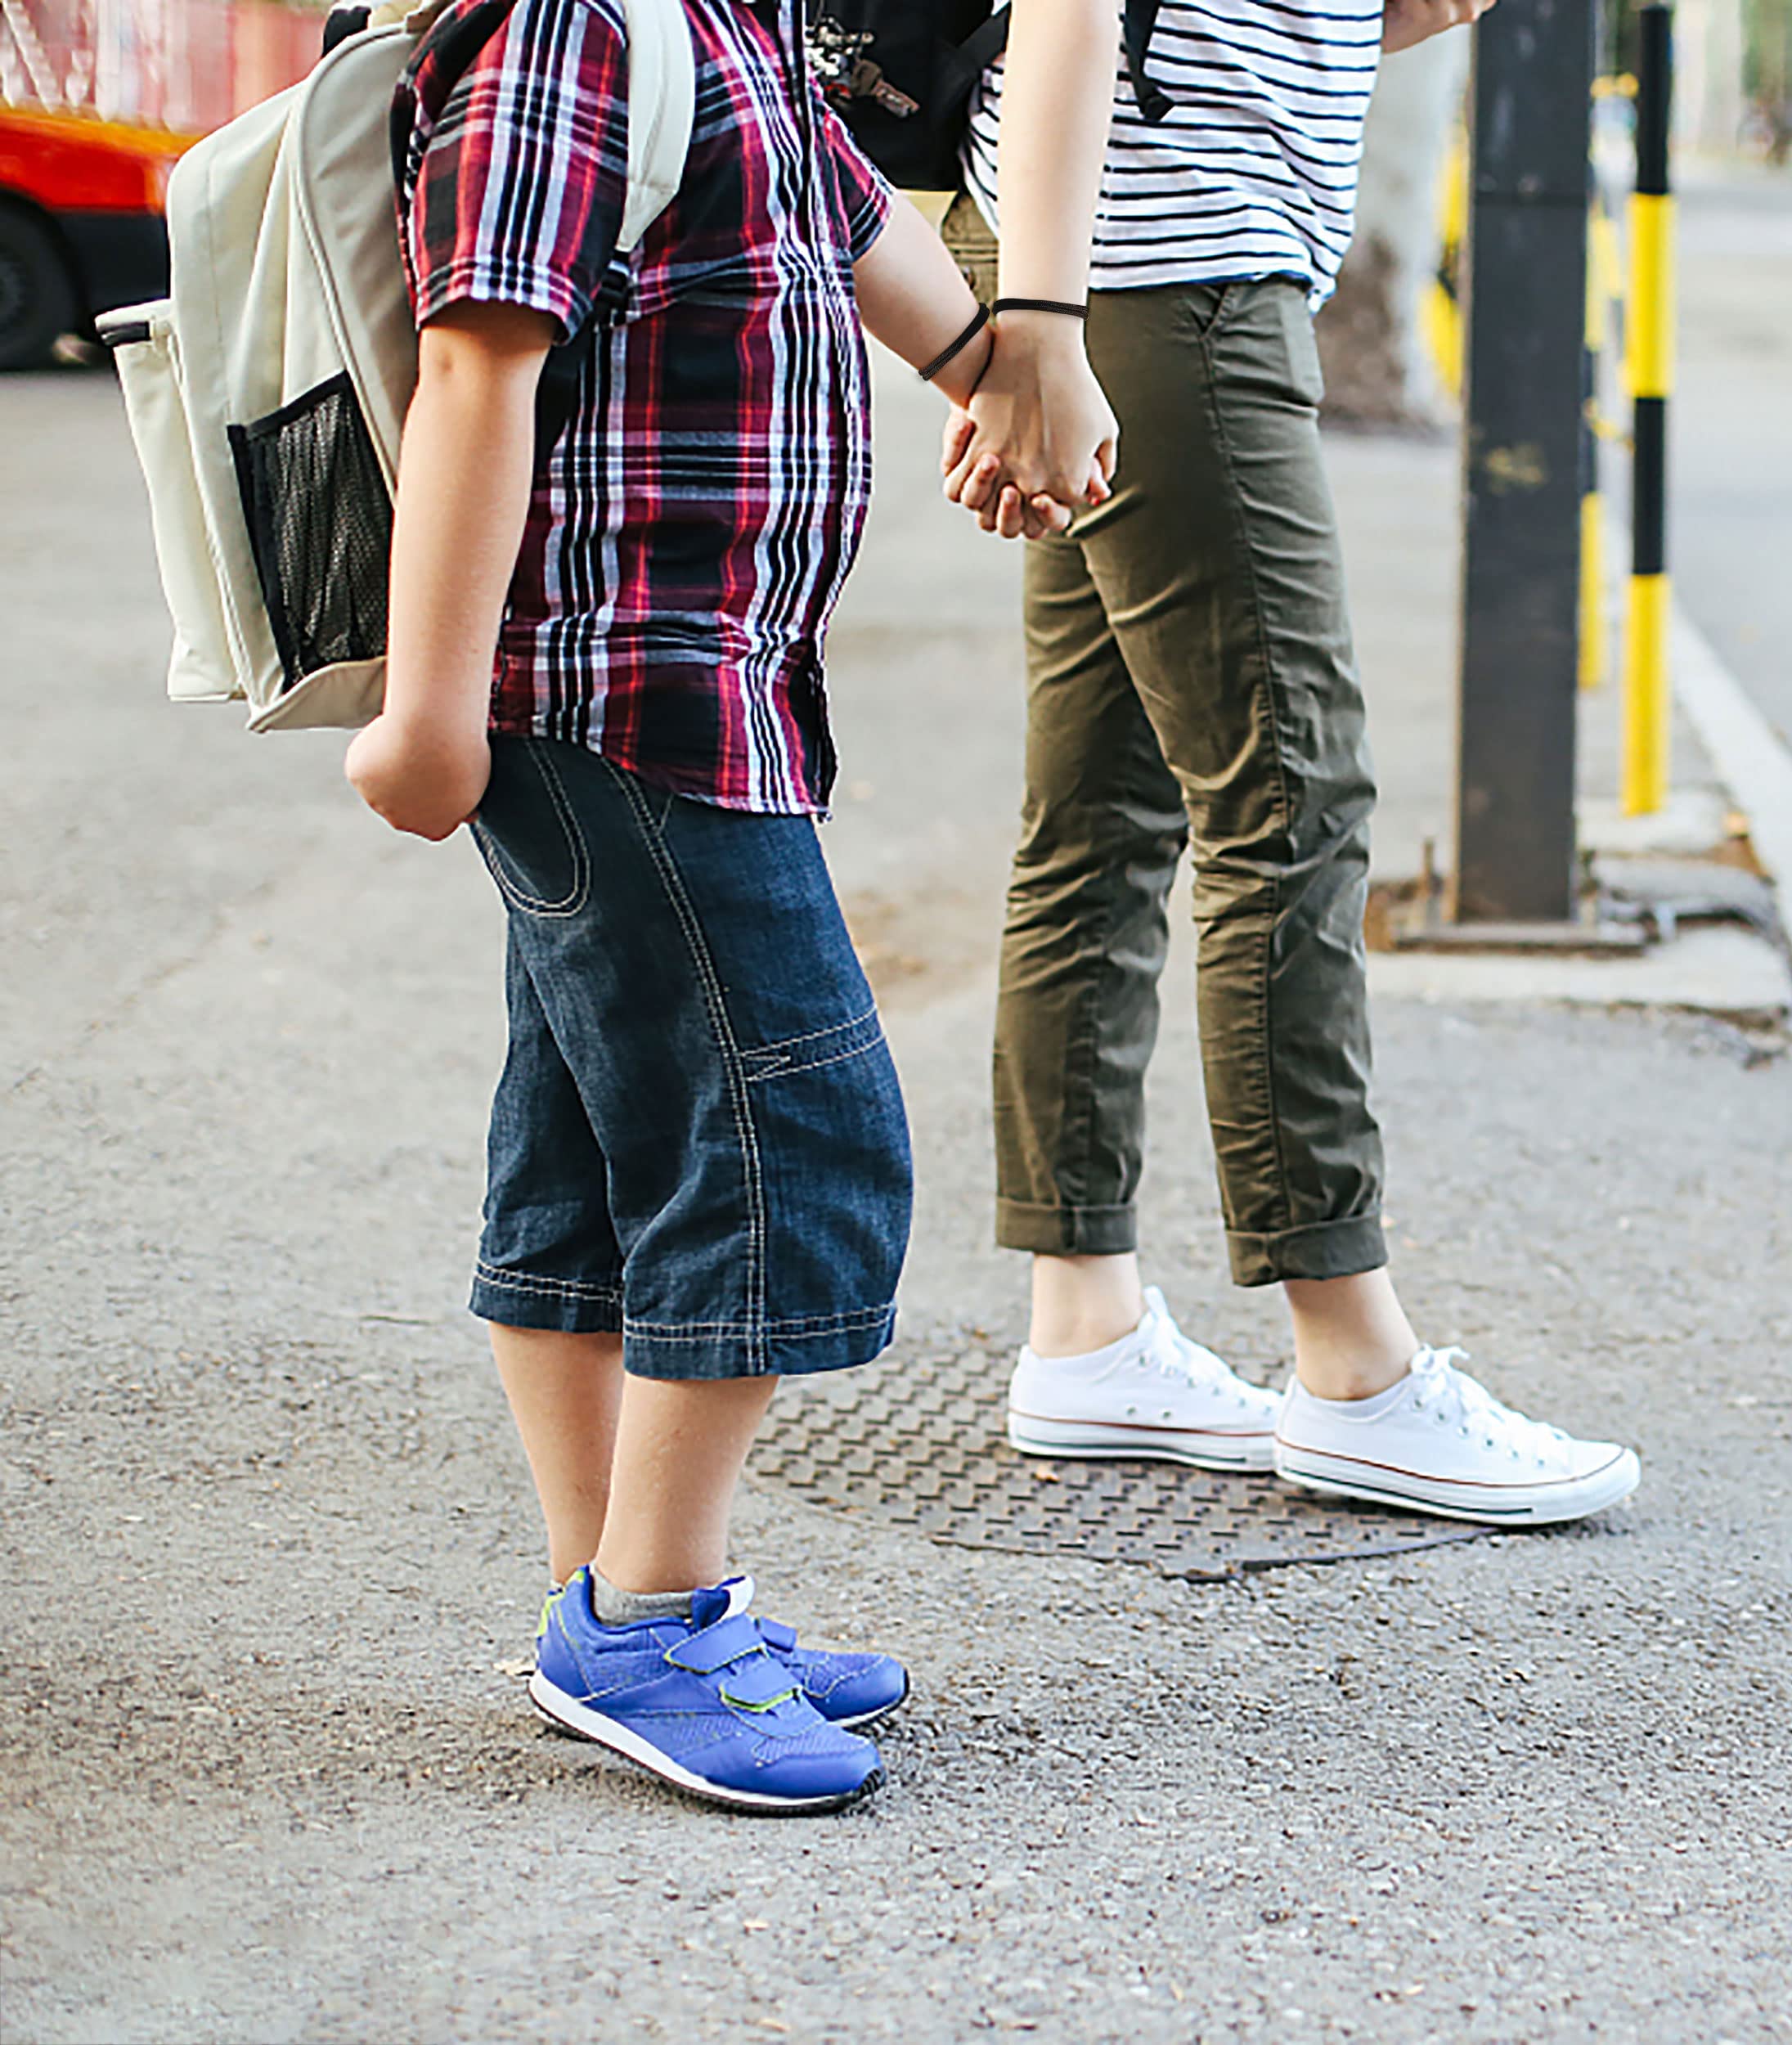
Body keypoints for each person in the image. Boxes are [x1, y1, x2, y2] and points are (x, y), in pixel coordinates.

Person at [343, 0, 1094, 1814]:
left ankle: (611, 1593)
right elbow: (476, 366)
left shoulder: (724, 27)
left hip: (703, 690)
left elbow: (854, 227)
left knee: (599, 1145)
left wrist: (1010, 362)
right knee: (787, 1134)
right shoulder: (565, 29)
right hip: (623, 701)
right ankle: (653, 1614)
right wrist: (426, 704)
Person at [944, 0, 1645, 1526]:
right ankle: (1353, 1365)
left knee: (1104, 811)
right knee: (1287, 797)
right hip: (1164, 272)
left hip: (1114, 259)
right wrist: (1047, 330)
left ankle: (1088, 1325)